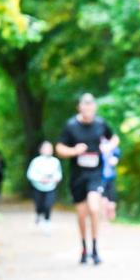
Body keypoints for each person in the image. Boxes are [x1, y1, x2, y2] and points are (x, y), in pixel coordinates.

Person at [55, 93, 119, 265]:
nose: (88, 109)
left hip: (95, 174)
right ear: (80, 107)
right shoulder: (71, 126)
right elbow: (59, 148)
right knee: (82, 214)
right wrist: (74, 151)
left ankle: (96, 248)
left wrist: (108, 146)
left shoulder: (100, 124)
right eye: (85, 106)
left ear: (94, 108)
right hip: (78, 175)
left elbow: (114, 138)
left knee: (94, 207)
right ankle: (84, 247)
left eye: (91, 106)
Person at [26, 141, 62, 233]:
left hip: (51, 187)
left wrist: (56, 179)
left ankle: (47, 222)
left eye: (50, 148)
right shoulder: (36, 161)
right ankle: (38, 214)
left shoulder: (55, 161)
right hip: (38, 187)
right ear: (41, 150)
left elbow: (58, 174)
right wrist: (40, 179)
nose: (48, 150)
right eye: (46, 148)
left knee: (48, 205)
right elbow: (30, 174)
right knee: (39, 205)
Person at [101, 142, 120, 222]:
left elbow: (114, 160)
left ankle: (110, 216)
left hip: (109, 177)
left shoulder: (114, 148)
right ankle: (105, 217)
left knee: (110, 199)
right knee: (104, 198)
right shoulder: (98, 145)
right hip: (102, 177)